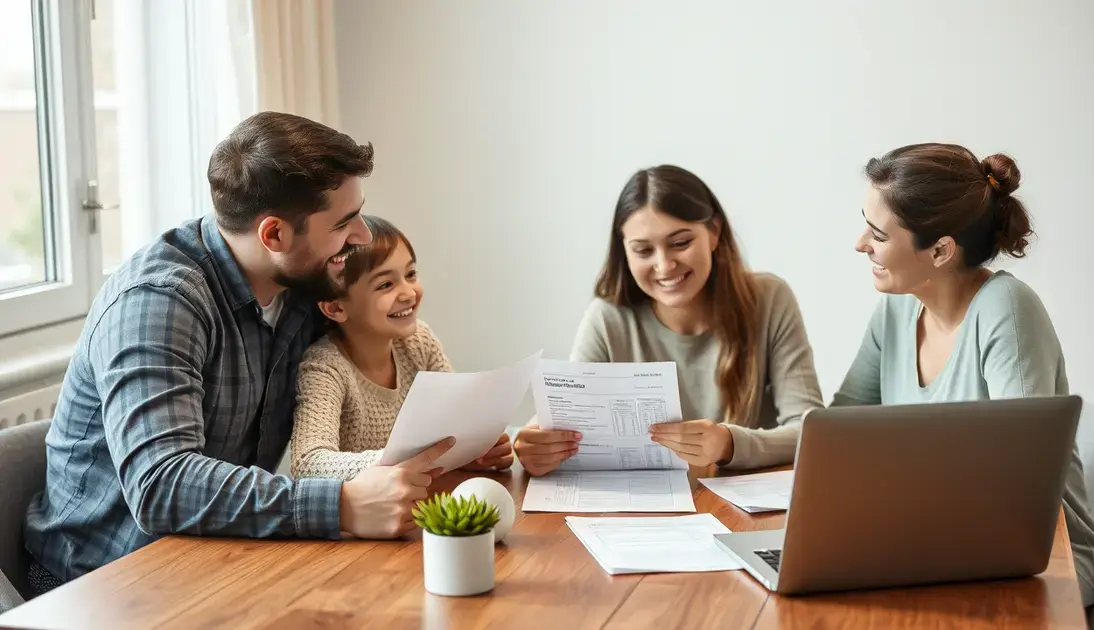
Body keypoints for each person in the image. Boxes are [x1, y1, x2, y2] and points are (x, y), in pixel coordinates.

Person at [23, 111, 455, 593]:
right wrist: (342, 504)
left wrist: (502, 438)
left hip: (218, 554)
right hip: (97, 582)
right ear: (274, 235)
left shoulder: (299, 282)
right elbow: (161, 486)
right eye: (344, 223)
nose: (362, 238)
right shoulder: (160, 301)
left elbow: (378, 339)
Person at [832, 142, 1094, 607]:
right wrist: (738, 443)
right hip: (931, 548)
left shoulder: (1007, 309)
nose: (860, 243)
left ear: (940, 250)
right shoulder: (895, 313)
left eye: (877, 234)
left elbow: (1021, 486)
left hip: (1041, 564)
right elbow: (833, 432)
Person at [513, 164, 824, 475]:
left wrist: (729, 444)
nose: (664, 265)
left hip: (742, 514)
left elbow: (810, 430)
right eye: (644, 250)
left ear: (714, 232)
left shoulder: (769, 299)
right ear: (624, 251)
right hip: (641, 511)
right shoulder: (607, 319)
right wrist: (540, 447)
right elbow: (567, 424)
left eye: (680, 243)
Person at [289, 216, 513, 480]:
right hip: (363, 519)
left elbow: (456, 422)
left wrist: (476, 450)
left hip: (420, 502)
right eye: (385, 285)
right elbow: (308, 464)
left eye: (410, 274)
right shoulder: (325, 368)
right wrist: (402, 462)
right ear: (336, 307)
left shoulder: (419, 341)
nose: (409, 293)